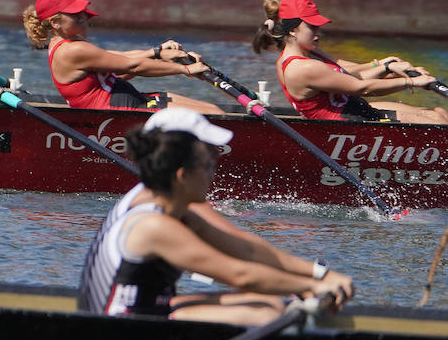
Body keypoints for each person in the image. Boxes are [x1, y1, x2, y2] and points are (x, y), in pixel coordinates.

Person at [78, 108, 354, 324]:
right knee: (263, 315)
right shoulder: (154, 224)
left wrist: (320, 276)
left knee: (270, 302)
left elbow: (245, 249)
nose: (214, 170)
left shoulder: (171, 207)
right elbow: (240, 274)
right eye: (206, 163)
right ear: (181, 174)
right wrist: (310, 286)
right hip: (117, 333)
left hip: (146, 310)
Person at [253, 0, 448, 124]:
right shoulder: (302, 67)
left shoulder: (310, 52)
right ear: (293, 30)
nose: (318, 33)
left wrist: (386, 67)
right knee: (439, 122)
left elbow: (348, 73)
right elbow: (361, 88)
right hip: (348, 125)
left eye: (318, 27)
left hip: (354, 109)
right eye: (312, 27)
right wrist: (412, 82)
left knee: (440, 113)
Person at [22, 0, 220, 112]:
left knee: (213, 110)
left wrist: (158, 52)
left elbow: (119, 58)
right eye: (74, 13)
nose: (82, 16)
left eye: (81, 11)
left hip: (127, 99)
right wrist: (185, 69)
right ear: (55, 23)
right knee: (213, 115)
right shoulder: (73, 50)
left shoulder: (70, 42)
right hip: (117, 112)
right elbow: (132, 66)